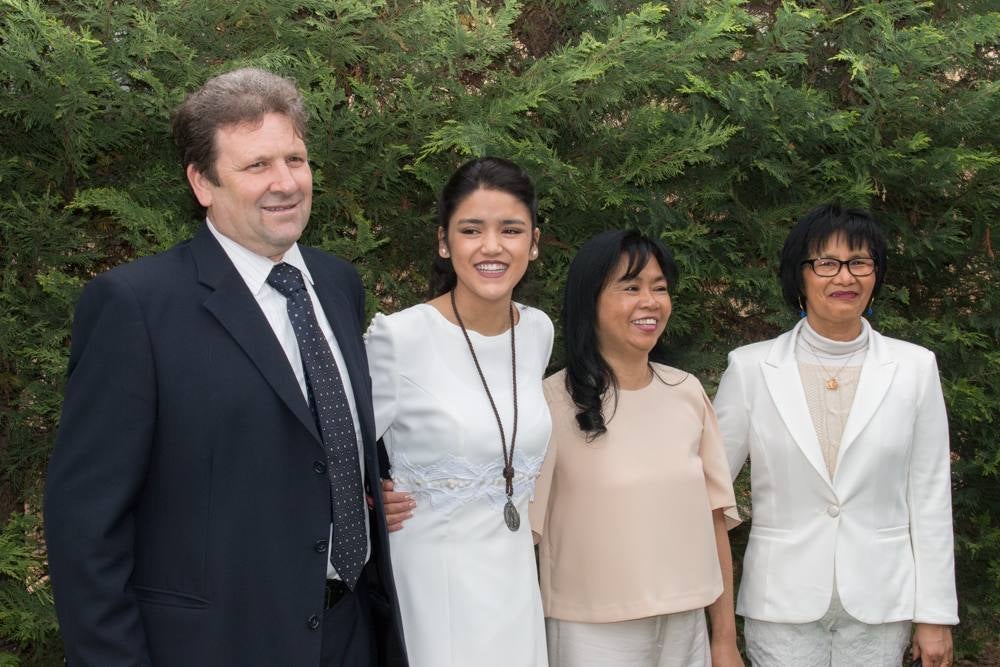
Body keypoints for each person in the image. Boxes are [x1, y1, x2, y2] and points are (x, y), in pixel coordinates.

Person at [43, 68, 407, 666]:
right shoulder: (135, 308)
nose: (285, 182)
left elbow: (318, 435)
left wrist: (363, 485)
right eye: (257, 165)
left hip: (351, 633)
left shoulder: (338, 285)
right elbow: (86, 526)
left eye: (295, 158)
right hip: (217, 645)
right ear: (202, 182)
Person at [714, 204, 958, 667]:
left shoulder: (914, 368)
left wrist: (935, 615)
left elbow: (929, 496)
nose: (844, 277)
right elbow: (711, 491)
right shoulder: (749, 368)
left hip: (881, 601)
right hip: (780, 602)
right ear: (799, 275)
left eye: (859, 263)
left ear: (875, 275)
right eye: (826, 263)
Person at [365, 157, 553, 666]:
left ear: (533, 243)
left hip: (515, 582)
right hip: (434, 586)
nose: (492, 246)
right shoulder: (399, 338)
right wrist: (364, 498)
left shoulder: (537, 331)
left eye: (510, 230)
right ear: (445, 243)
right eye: (472, 230)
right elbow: (327, 448)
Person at [529, 229, 743, 667]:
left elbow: (715, 520)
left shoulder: (687, 392)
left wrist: (724, 640)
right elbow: (522, 539)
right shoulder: (549, 403)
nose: (650, 301)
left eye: (659, 288)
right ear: (590, 301)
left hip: (686, 628)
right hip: (589, 634)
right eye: (630, 287)